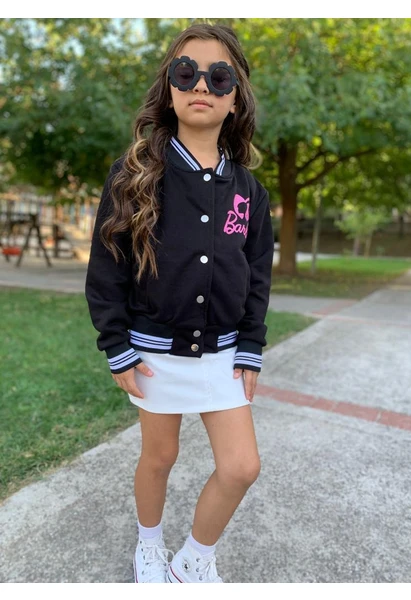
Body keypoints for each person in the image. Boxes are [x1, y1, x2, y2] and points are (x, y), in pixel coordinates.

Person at [85, 22, 274, 584]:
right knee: (160, 457)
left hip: (223, 355)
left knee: (241, 467)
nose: (202, 86)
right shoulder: (134, 174)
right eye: (186, 72)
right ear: (169, 88)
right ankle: (149, 546)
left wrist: (251, 344)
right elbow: (106, 269)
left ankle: (192, 562)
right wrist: (116, 344)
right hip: (153, 353)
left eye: (220, 77)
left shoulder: (249, 190)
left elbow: (257, 274)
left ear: (235, 97)